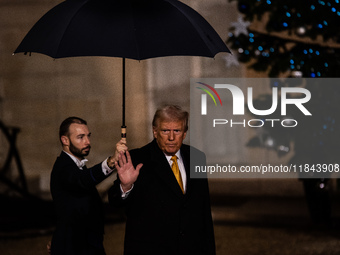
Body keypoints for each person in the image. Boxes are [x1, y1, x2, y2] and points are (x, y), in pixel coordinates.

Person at [109, 105, 216, 255]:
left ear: (184, 133)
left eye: (177, 131)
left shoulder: (197, 157)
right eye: (165, 131)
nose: (171, 137)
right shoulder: (137, 158)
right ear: (155, 131)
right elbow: (114, 201)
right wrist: (125, 186)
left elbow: (204, 212)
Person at [50, 116, 126, 255]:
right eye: (80, 137)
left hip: (86, 243)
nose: (87, 142)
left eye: (88, 136)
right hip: (75, 247)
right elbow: (84, 180)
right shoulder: (63, 167)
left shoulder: (76, 165)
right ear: (65, 140)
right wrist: (111, 161)